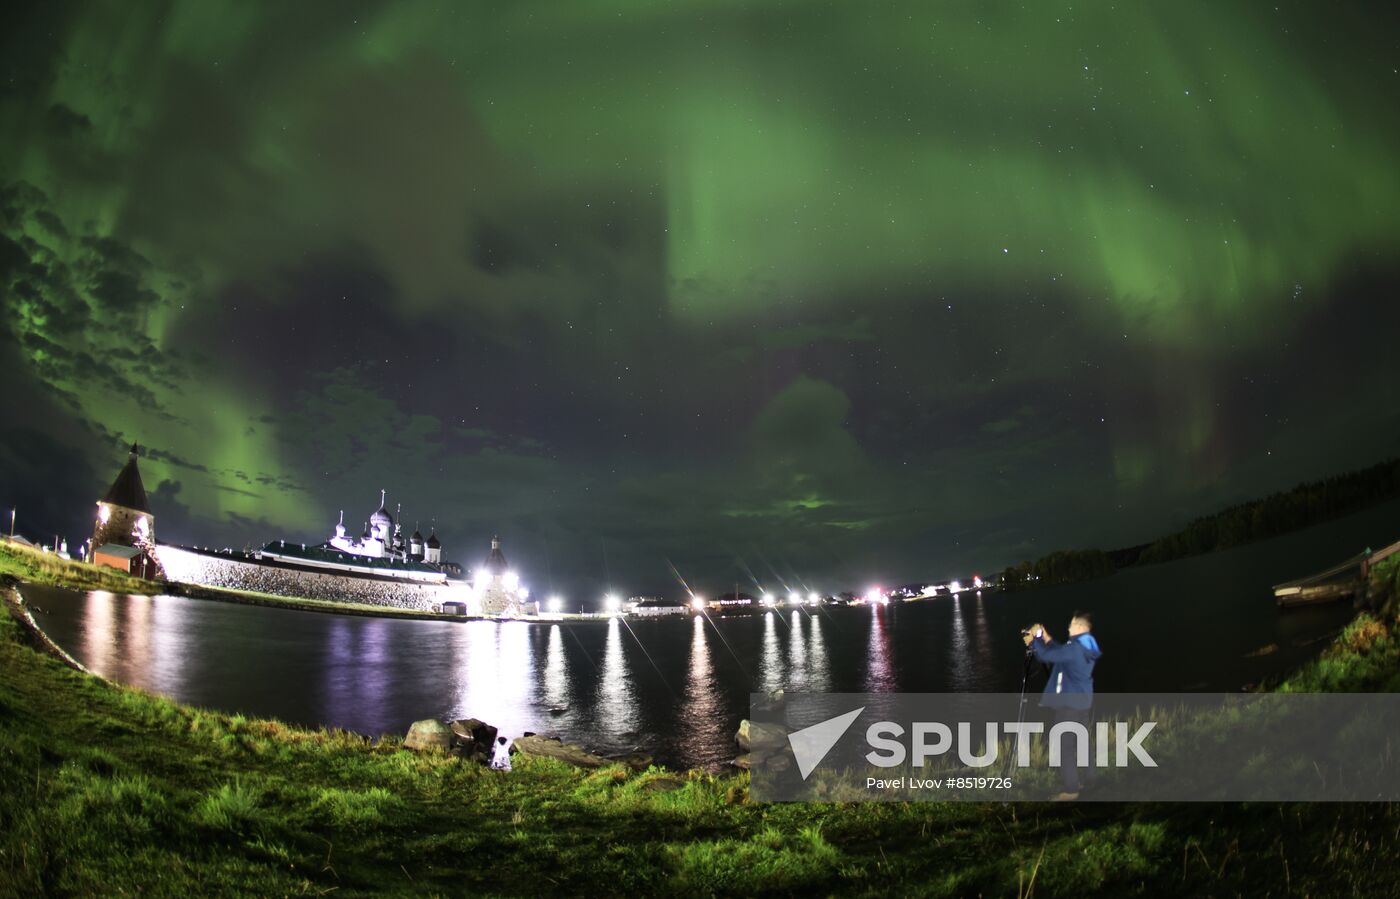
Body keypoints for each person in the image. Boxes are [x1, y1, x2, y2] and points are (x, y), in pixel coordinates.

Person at [1023, 612, 1102, 800]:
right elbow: (1061, 653)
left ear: (1081, 628)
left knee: (1063, 745)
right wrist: (1046, 637)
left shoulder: (1075, 648)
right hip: (1082, 701)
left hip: (1068, 704)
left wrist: (1033, 642)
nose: (1068, 628)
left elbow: (1047, 657)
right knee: (1082, 742)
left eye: (1072, 625)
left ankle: (1071, 789)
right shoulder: (1085, 645)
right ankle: (1090, 780)